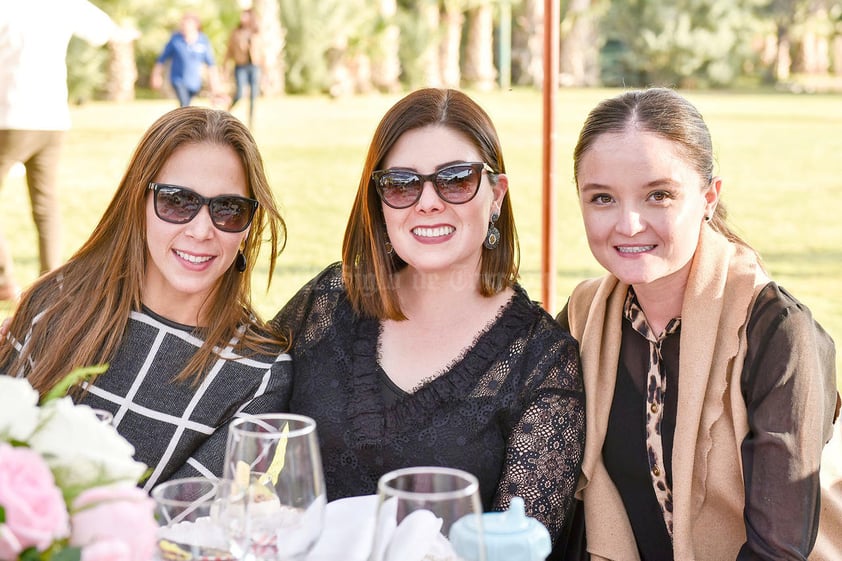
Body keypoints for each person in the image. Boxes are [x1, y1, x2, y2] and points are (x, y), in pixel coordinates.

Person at [271, 88, 586, 552]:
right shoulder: (330, 300)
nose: (428, 202)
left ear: (496, 195)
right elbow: (227, 409)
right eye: (402, 184)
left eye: (456, 180)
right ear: (379, 201)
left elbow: (517, 549)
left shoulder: (541, 361)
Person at [557, 87, 839, 560]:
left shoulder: (777, 332)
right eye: (602, 198)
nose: (628, 224)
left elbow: (779, 550)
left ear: (709, 197)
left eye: (659, 195)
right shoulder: (584, 318)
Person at [0, 106, 292, 492]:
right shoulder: (55, 303)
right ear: (139, 203)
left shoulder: (259, 375)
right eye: (177, 201)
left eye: (228, 209)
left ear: (249, 224)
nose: (202, 230)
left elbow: (188, 528)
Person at [0, 0, 137, 303]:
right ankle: (48, 286)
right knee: (45, 204)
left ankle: (4, 279)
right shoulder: (62, 5)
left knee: (44, 204)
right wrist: (125, 33)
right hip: (52, 118)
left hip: (10, 117)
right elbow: (105, 30)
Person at [150, 12, 221, 108]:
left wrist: (215, 87)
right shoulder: (175, 39)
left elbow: (211, 64)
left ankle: (180, 119)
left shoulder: (203, 40)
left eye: (186, 24)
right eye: (182, 24)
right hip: (178, 80)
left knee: (185, 105)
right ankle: (181, 121)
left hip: (194, 83)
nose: (183, 26)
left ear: (195, 25)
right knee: (184, 104)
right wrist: (156, 75)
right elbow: (161, 59)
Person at [224, 8, 263, 128]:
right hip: (241, 66)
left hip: (254, 66)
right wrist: (225, 66)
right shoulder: (236, 32)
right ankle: (227, 113)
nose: (242, 18)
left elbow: (263, 52)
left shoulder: (256, 32)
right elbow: (229, 50)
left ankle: (251, 122)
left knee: (253, 95)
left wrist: (266, 71)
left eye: (245, 16)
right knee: (240, 93)